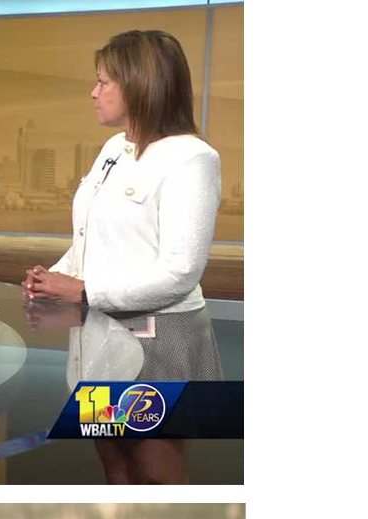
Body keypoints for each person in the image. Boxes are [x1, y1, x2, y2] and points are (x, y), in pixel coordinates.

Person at [21, 30, 222, 485]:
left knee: (156, 471)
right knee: (115, 465)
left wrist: (85, 290)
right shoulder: (115, 149)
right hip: (103, 331)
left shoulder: (193, 158)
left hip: (161, 339)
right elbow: (93, 236)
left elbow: (181, 270)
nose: (94, 93)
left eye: (103, 82)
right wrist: (54, 275)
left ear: (140, 84)